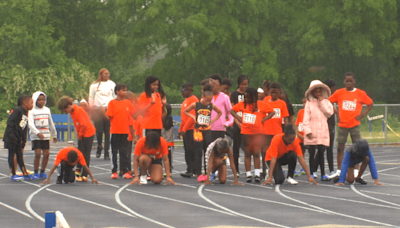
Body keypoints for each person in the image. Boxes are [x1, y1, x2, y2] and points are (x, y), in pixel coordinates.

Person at [328, 72, 374, 179]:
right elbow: (328, 101)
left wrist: (362, 114)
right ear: (344, 82)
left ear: (354, 81)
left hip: (355, 124)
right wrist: (336, 112)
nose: (349, 83)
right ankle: (339, 170)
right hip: (342, 124)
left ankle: (355, 171)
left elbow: (370, 103)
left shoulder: (360, 93)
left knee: (357, 148)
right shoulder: (339, 93)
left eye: (351, 81)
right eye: (347, 81)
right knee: (340, 148)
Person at [231, 87, 275, 183]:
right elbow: (232, 111)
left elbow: (272, 112)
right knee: (247, 154)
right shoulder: (242, 104)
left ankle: (257, 174)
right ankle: (248, 175)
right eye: (245, 98)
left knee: (256, 153)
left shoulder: (261, 104)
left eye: (248, 98)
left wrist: (263, 119)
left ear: (254, 97)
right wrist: (239, 118)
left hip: (258, 133)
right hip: (246, 132)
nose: (247, 99)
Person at [183, 84, 222, 178]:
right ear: (203, 97)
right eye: (207, 100)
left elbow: (220, 112)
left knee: (207, 151)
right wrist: (193, 117)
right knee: (197, 151)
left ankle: (207, 171)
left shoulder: (211, 106)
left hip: (207, 130)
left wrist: (213, 120)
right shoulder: (196, 105)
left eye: (210, 100)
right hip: (198, 131)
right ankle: (198, 172)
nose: (208, 102)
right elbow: (186, 111)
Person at [57, 96, 96, 182]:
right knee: (79, 152)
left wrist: (81, 134)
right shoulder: (72, 111)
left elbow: (84, 125)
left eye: (65, 110)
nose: (65, 112)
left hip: (88, 132)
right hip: (82, 132)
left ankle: (85, 174)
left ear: (69, 106)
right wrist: (78, 133)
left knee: (85, 153)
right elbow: (77, 123)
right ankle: (78, 170)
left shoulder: (78, 110)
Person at [303, 80, 334, 181]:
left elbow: (329, 113)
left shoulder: (326, 102)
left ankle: (323, 173)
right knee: (312, 152)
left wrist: (321, 102)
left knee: (321, 151)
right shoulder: (309, 103)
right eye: (316, 91)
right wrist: (308, 131)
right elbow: (306, 118)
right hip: (312, 130)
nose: (318, 93)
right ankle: (312, 172)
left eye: (320, 91)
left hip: (323, 129)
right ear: (312, 92)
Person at [106, 83, 136, 179]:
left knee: (124, 152)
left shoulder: (128, 103)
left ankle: (125, 170)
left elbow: (132, 114)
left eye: (126, 90)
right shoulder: (112, 103)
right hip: (115, 131)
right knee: (114, 151)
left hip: (125, 131)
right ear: (117, 91)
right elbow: (109, 115)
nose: (125, 92)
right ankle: (114, 171)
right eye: (123, 90)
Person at [261, 82, 289, 179]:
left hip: (277, 132)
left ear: (279, 93)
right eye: (272, 92)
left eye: (276, 93)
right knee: (265, 151)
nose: (273, 95)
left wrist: (287, 131)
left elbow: (285, 118)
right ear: (269, 92)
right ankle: (264, 170)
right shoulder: (265, 100)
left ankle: (276, 170)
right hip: (265, 131)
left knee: (276, 153)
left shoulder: (282, 104)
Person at [28, 91, 57, 180]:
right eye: (39, 100)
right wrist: (37, 132)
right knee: (38, 153)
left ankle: (43, 171)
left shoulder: (47, 110)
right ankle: (36, 171)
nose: (42, 102)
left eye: (43, 100)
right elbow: (30, 123)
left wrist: (54, 134)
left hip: (46, 135)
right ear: (35, 100)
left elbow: (51, 122)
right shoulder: (31, 110)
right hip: (36, 135)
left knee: (47, 153)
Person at [4, 95, 34, 181]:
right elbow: (10, 123)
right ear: (24, 103)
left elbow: (23, 127)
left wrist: (23, 139)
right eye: (31, 103)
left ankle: (24, 173)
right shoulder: (17, 110)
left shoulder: (25, 112)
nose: (32, 105)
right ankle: (13, 174)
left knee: (20, 155)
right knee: (12, 154)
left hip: (18, 138)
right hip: (11, 137)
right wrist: (13, 136)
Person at [89, 68, 116, 160]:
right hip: (97, 110)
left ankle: (106, 151)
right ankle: (100, 145)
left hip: (108, 109)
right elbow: (91, 97)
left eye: (108, 74)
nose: (107, 75)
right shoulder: (94, 85)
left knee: (108, 132)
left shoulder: (112, 84)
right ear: (101, 74)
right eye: (105, 74)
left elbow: (115, 96)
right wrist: (92, 108)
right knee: (99, 131)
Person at [178, 82, 199, 177]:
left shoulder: (193, 99)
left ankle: (194, 170)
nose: (182, 92)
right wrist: (180, 130)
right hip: (186, 129)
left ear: (189, 90)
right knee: (187, 150)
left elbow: (192, 116)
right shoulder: (185, 101)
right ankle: (189, 169)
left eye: (183, 90)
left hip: (192, 129)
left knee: (192, 150)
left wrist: (185, 128)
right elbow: (183, 118)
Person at [230, 74, 249, 177]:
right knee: (236, 147)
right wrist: (238, 123)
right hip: (237, 123)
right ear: (239, 84)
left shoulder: (248, 94)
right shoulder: (234, 94)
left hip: (247, 123)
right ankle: (236, 169)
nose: (244, 87)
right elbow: (232, 110)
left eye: (246, 84)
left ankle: (248, 170)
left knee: (247, 147)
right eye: (242, 84)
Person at [209, 74, 234, 141]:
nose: (212, 85)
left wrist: (227, 123)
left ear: (219, 85)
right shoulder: (206, 97)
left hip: (220, 129)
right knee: (208, 150)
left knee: (219, 149)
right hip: (208, 129)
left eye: (214, 83)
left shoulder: (225, 97)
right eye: (210, 83)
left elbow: (231, 114)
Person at [324, 79, 337, 176]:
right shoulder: (323, 97)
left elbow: (333, 108)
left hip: (331, 124)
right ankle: (314, 170)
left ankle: (331, 169)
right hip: (324, 125)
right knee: (323, 149)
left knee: (329, 149)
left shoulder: (330, 97)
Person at [294, 97, 307, 176]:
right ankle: (294, 169)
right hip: (299, 136)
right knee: (297, 152)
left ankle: (303, 168)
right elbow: (297, 124)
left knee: (304, 152)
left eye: (306, 102)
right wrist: (298, 134)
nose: (304, 104)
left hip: (307, 137)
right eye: (303, 103)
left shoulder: (311, 112)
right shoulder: (300, 112)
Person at [161, 103, 175, 176]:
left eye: (163, 112)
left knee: (168, 156)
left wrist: (162, 119)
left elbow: (166, 127)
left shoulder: (169, 118)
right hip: (163, 141)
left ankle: (169, 170)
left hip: (168, 141)